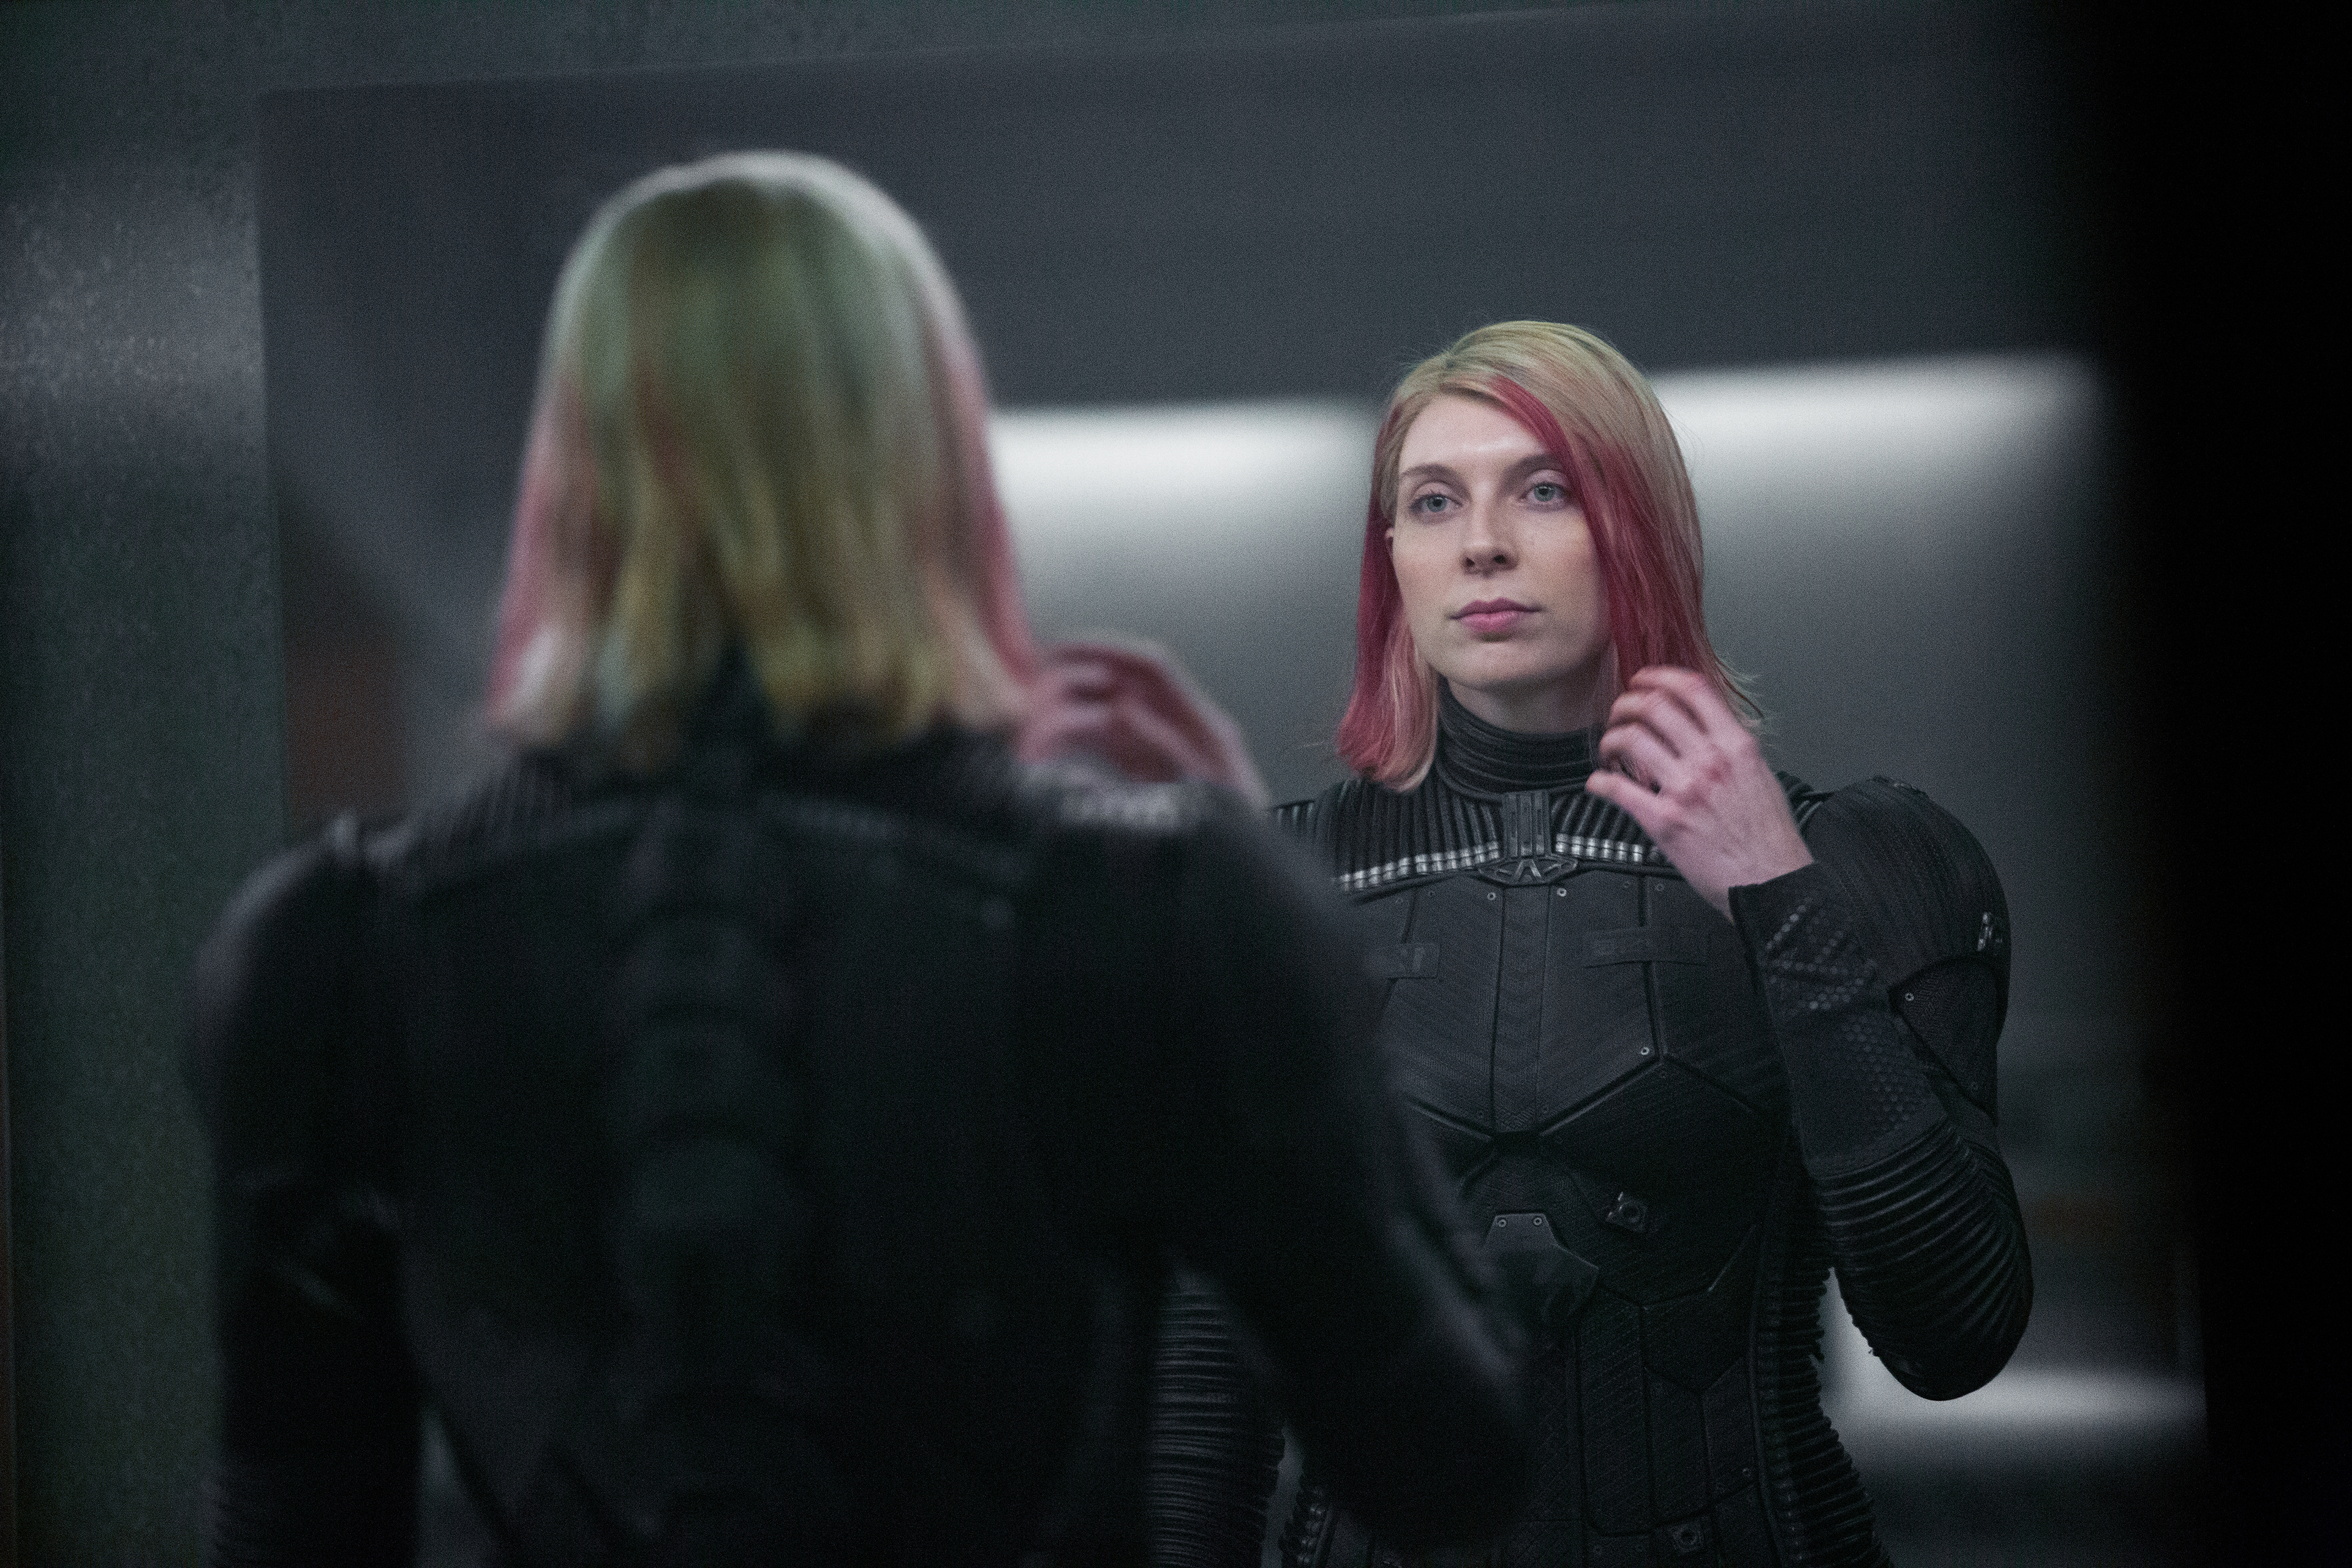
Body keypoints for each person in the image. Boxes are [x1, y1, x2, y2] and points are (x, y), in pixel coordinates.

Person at [185, 153, 1534, 1567]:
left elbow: (292, 1527)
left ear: (576, 465)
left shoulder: (336, 953)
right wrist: (1279, 949)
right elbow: (1450, 1466)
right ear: (929, 455)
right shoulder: (1153, 914)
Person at [1152, 322, 2033, 1567]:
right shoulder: (1251, 892)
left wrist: (1778, 896)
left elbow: (1955, 1338)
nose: (1482, 543)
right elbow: (1199, 1400)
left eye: (1544, 490)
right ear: (1391, 557)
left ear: (1639, 528)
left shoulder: (1865, 862)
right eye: (1434, 501)